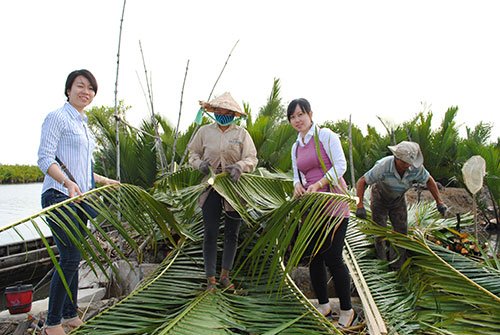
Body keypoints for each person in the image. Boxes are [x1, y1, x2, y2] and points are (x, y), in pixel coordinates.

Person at [37, 69, 119, 335]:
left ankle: (70, 315)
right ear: (68, 89)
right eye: (80, 86)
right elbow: (45, 159)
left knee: (73, 257)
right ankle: (52, 323)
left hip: (79, 201)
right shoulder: (57, 118)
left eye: (91, 88)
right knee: (70, 257)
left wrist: (105, 181)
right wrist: (67, 183)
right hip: (58, 197)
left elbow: (82, 170)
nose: (86, 92)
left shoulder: (84, 123)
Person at [288, 98, 355, 328]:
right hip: (313, 207)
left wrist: (321, 183)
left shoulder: (326, 136)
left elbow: (341, 165)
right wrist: (298, 185)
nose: (297, 120)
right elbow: (297, 175)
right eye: (292, 117)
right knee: (315, 256)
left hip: (334, 203)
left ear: (310, 114)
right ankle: (324, 305)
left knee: (334, 257)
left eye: (300, 115)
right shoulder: (296, 146)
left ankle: (347, 310)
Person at [188, 92, 258, 292]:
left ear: (234, 114)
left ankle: (225, 275)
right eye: (218, 110)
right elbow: (192, 153)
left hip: (234, 189)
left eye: (226, 111)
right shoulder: (204, 131)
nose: (222, 113)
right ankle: (210, 279)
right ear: (214, 111)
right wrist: (199, 164)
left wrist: (240, 166)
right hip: (211, 186)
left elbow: (252, 158)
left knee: (231, 234)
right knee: (210, 232)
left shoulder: (241, 134)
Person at [355, 141, 447, 270]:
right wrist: (359, 205)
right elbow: (362, 181)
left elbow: (429, 181)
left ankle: (397, 265)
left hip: (398, 199)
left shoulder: (415, 168)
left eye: (409, 162)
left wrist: (439, 202)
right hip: (380, 197)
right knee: (379, 232)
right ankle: (382, 263)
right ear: (396, 158)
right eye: (404, 162)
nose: (407, 165)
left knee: (401, 232)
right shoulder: (383, 166)